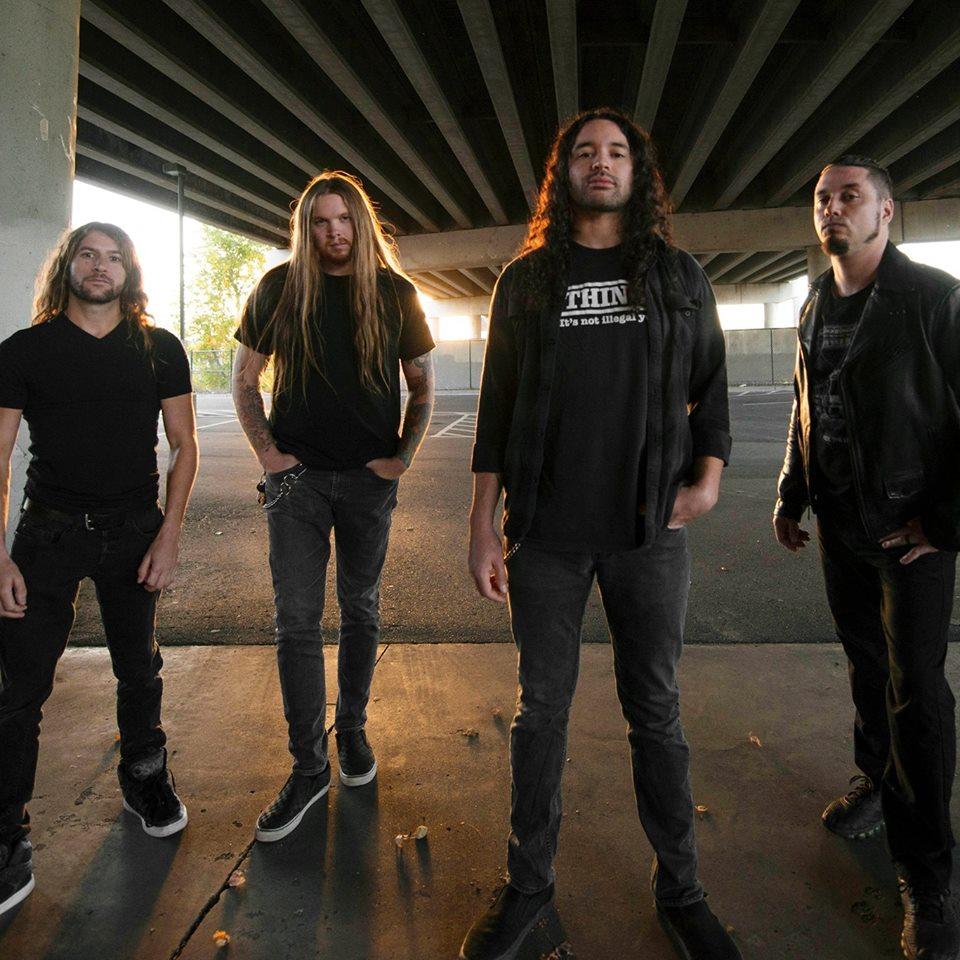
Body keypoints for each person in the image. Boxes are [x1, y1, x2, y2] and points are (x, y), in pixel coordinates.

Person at [462, 108, 740, 960]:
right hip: (545, 535)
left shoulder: (678, 275)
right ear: (565, 173)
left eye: (617, 152)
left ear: (636, 173)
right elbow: (497, 411)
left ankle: (682, 892)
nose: (602, 162)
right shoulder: (526, 282)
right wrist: (481, 525)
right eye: (585, 151)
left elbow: (711, 387)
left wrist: (709, 476)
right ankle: (528, 886)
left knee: (655, 713)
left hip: (647, 532)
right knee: (540, 712)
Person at [774, 154, 960, 960]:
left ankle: (928, 874)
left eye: (850, 196)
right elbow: (806, 403)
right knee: (864, 667)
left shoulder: (933, 299)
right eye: (823, 197)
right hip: (842, 526)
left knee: (916, 692)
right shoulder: (815, 302)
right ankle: (879, 783)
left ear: (886, 211)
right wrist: (791, 492)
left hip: (909, 534)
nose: (832, 208)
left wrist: (945, 524)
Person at [0, 222, 198, 917]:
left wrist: (169, 536)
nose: (100, 266)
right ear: (68, 266)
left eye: (114, 257)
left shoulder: (159, 348)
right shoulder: (24, 350)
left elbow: (184, 446)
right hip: (47, 535)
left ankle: (145, 776)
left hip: (133, 530)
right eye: (88, 254)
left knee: (138, 668)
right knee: (19, 688)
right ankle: (6, 831)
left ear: (129, 273)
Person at [233, 171, 435, 843]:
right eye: (320, 222)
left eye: (343, 219)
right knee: (295, 621)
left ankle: (351, 730)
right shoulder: (278, 288)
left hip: (368, 482)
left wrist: (402, 457)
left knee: (360, 609)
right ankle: (307, 766)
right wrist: (268, 454)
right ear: (307, 228)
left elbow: (421, 385)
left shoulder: (395, 293)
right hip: (297, 484)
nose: (334, 232)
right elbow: (244, 379)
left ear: (361, 223)